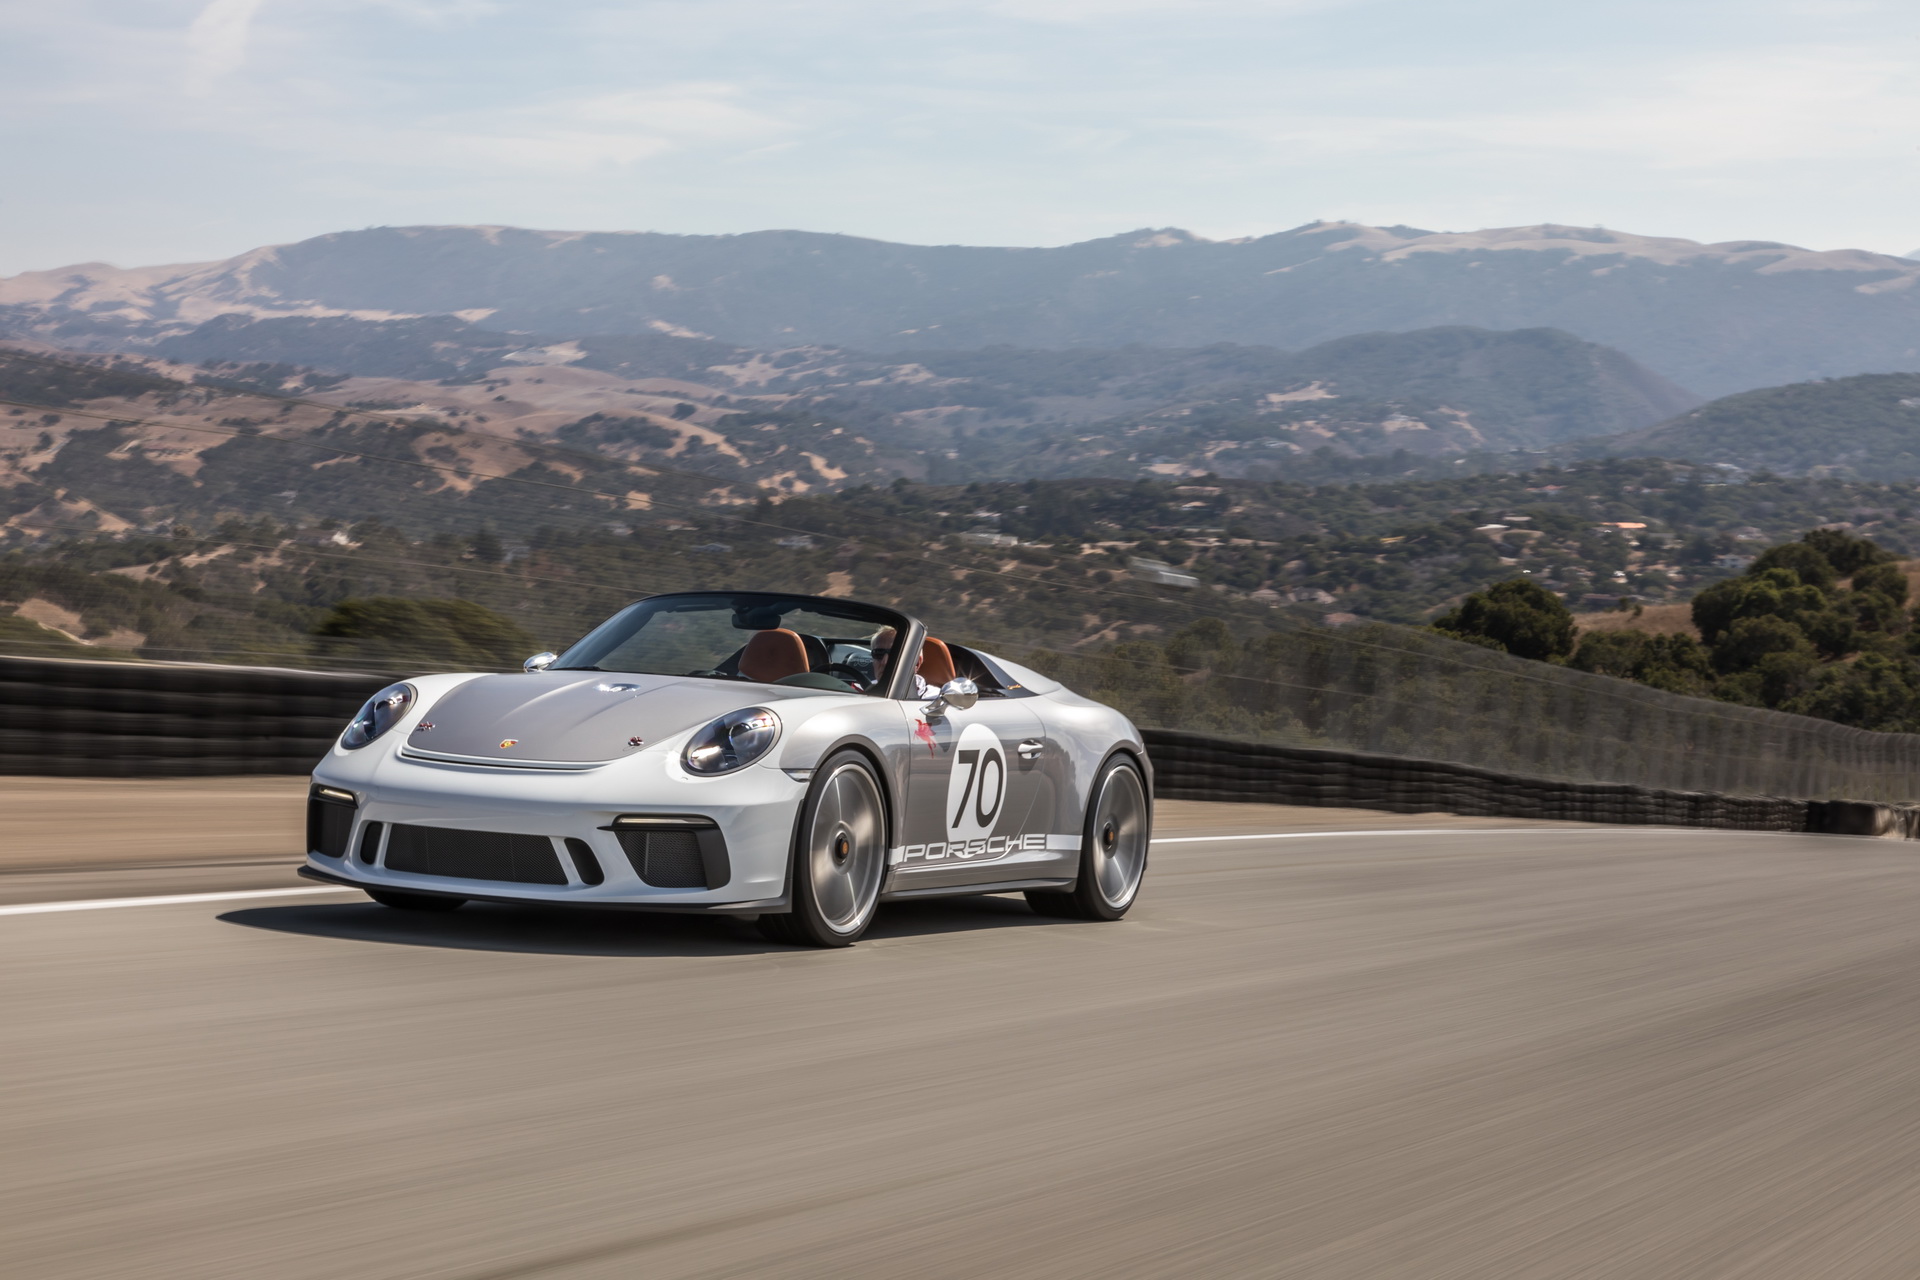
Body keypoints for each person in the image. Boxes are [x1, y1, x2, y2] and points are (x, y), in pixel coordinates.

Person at [868, 628, 932, 698]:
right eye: (878, 653)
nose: (884, 662)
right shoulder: (861, 690)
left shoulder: (935, 700)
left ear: (916, 663)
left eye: (895, 654)